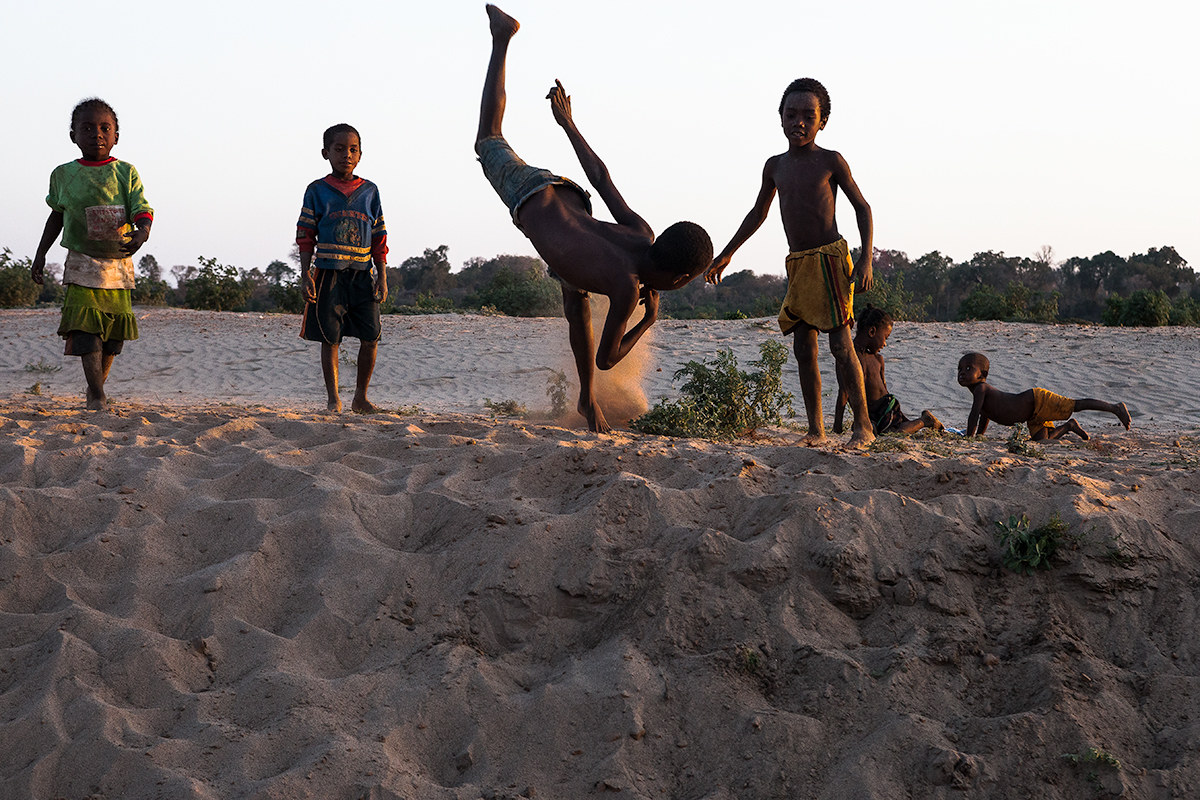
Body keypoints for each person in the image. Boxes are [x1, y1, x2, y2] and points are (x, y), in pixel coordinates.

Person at [475, 5, 713, 433]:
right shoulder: (624, 287)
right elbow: (608, 359)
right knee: (488, 137)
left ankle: (586, 400)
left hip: (569, 197)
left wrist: (569, 125)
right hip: (532, 197)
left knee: (577, 297)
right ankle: (501, 38)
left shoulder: (642, 232)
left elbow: (601, 178)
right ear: (677, 279)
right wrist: (647, 320)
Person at [707, 78, 875, 448]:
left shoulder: (830, 161)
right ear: (780, 118)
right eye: (791, 114)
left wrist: (865, 259)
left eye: (808, 116)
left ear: (823, 121)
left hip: (831, 260)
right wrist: (728, 252)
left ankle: (863, 425)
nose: (799, 122)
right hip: (798, 263)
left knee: (841, 346)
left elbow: (862, 207)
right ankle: (815, 430)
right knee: (803, 348)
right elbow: (758, 214)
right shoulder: (774, 166)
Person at [30, 98, 153, 410]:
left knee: (112, 336)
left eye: (104, 128)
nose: (96, 134)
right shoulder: (63, 175)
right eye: (87, 128)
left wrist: (142, 232)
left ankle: (95, 387)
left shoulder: (126, 173)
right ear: (74, 136)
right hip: (83, 263)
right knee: (86, 332)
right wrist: (40, 254)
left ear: (116, 137)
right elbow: (56, 216)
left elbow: (141, 208)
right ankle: (97, 394)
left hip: (118, 266)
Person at [297, 123, 389, 413]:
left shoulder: (370, 192)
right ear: (326, 153)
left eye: (353, 150)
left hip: (362, 274)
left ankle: (360, 397)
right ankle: (333, 398)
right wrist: (305, 274)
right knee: (330, 337)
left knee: (371, 335)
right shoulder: (316, 191)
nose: (346, 155)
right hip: (328, 272)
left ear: (360, 155)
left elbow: (379, 237)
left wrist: (382, 275)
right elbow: (305, 234)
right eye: (339, 149)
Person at [956, 352, 1132, 440]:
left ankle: (1115, 408)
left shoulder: (981, 389)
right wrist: (979, 436)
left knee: (1075, 405)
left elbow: (974, 415)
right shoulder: (979, 391)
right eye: (960, 369)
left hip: (1036, 400)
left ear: (982, 374)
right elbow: (984, 415)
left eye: (969, 369)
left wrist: (969, 438)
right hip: (1030, 414)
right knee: (1042, 441)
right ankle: (1069, 426)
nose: (962, 373)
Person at [834, 306, 944, 435]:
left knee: (893, 432)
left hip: (885, 409)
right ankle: (914, 423)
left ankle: (924, 421)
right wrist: (838, 426)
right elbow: (844, 392)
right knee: (871, 429)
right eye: (885, 337)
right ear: (872, 332)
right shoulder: (849, 358)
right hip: (870, 414)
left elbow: (885, 392)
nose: (885, 343)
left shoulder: (877, 359)